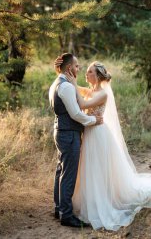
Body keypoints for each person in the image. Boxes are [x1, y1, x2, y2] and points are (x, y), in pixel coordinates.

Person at [61, 60, 151, 231]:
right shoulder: (91, 90)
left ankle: (103, 200)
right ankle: (91, 199)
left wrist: (72, 83)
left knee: (98, 168)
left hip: (98, 134)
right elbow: (78, 92)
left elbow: (84, 104)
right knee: (90, 168)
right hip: (89, 133)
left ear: (98, 75)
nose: (86, 74)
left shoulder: (102, 94)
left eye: (90, 72)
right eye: (86, 71)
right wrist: (70, 81)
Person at [48, 53, 103, 228]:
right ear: (70, 68)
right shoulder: (66, 87)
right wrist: (94, 120)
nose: (79, 69)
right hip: (69, 134)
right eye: (77, 66)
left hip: (61, 131)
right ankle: (67, 215)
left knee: (61, 170)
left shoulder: (58, 83)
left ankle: (59, 208)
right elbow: (76, 114)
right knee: (68, 174)